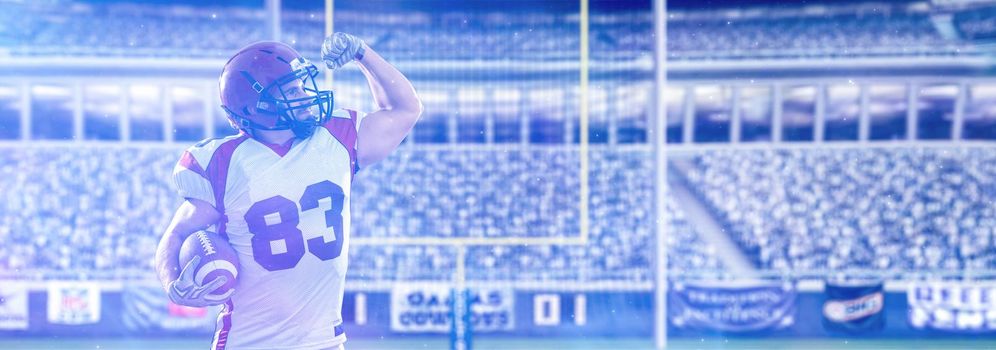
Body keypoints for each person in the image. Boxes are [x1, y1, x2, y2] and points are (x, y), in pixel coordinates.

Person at [154, 33, 422, 350]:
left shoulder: (336, 135)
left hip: (324, 341)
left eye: (301, 86)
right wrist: (172, 281)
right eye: (292, 90)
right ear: (258, 106)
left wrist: (363, 54)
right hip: (249, 342)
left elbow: (406, 109)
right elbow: (177, 233)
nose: (305, 96)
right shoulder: (222, 162)